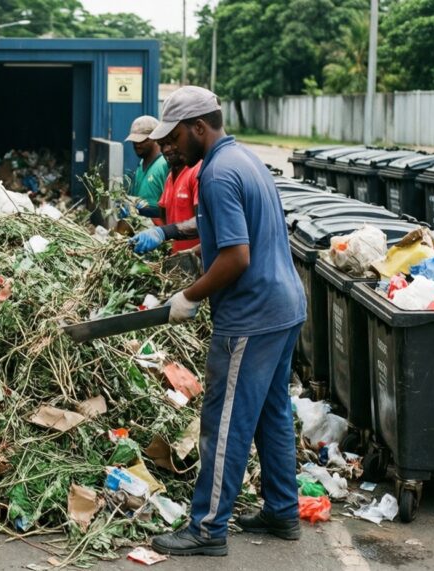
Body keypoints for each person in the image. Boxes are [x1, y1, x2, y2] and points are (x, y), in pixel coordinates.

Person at [142, 86, 307, 557]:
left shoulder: (215, 174)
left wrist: (189, 297)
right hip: (284, 305)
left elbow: (235, 255)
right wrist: (176, 241)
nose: (167, 147)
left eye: (172, 138)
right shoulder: (244, 160)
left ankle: (208, 527)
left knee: (226, 419)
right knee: (271, 413)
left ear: (198, 127)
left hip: (252, 315)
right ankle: (282, 509)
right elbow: (226, 232)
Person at [155, 139, 201, 253]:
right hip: (176, 259)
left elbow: (203, 221)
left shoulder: (196, 171)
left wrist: (164, 232)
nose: (166, 150)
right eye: (162, 145)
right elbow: (164, 213)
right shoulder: (171, 176)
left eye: (169, 143)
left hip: (197, 260)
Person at [124, 115, 169, 225]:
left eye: (142, 140)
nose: (137, 145)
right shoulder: (141, 165)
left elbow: (172, 208)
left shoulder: (164, 165)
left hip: (159, 234)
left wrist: (144, 211)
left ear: (155, 138)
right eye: (134, 141)